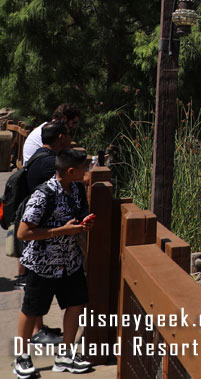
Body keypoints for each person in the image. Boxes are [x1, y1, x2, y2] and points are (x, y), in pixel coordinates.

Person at [14, 147, 94, 377]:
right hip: (43, 264)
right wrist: (61, 231)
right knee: (32, 310)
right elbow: (23, 233)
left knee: (76, 304)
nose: (86, 172)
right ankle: (22, 358)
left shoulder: (77, 188)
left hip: (70, 261)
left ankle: (66, 355)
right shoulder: (44, 194)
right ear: (70, 171)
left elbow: (76, 218)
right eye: (83, 169)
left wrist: (83, 225)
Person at [13, 121, 73, 345]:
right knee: (33, 302)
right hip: (41, 247)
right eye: (68, 133)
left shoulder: (40, 155)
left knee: (37, 299)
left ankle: (40, 333)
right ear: (60, 137)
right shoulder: (49, 165)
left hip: (43, 244)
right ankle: (26, 349)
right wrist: (63, 230)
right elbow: (23, 233)